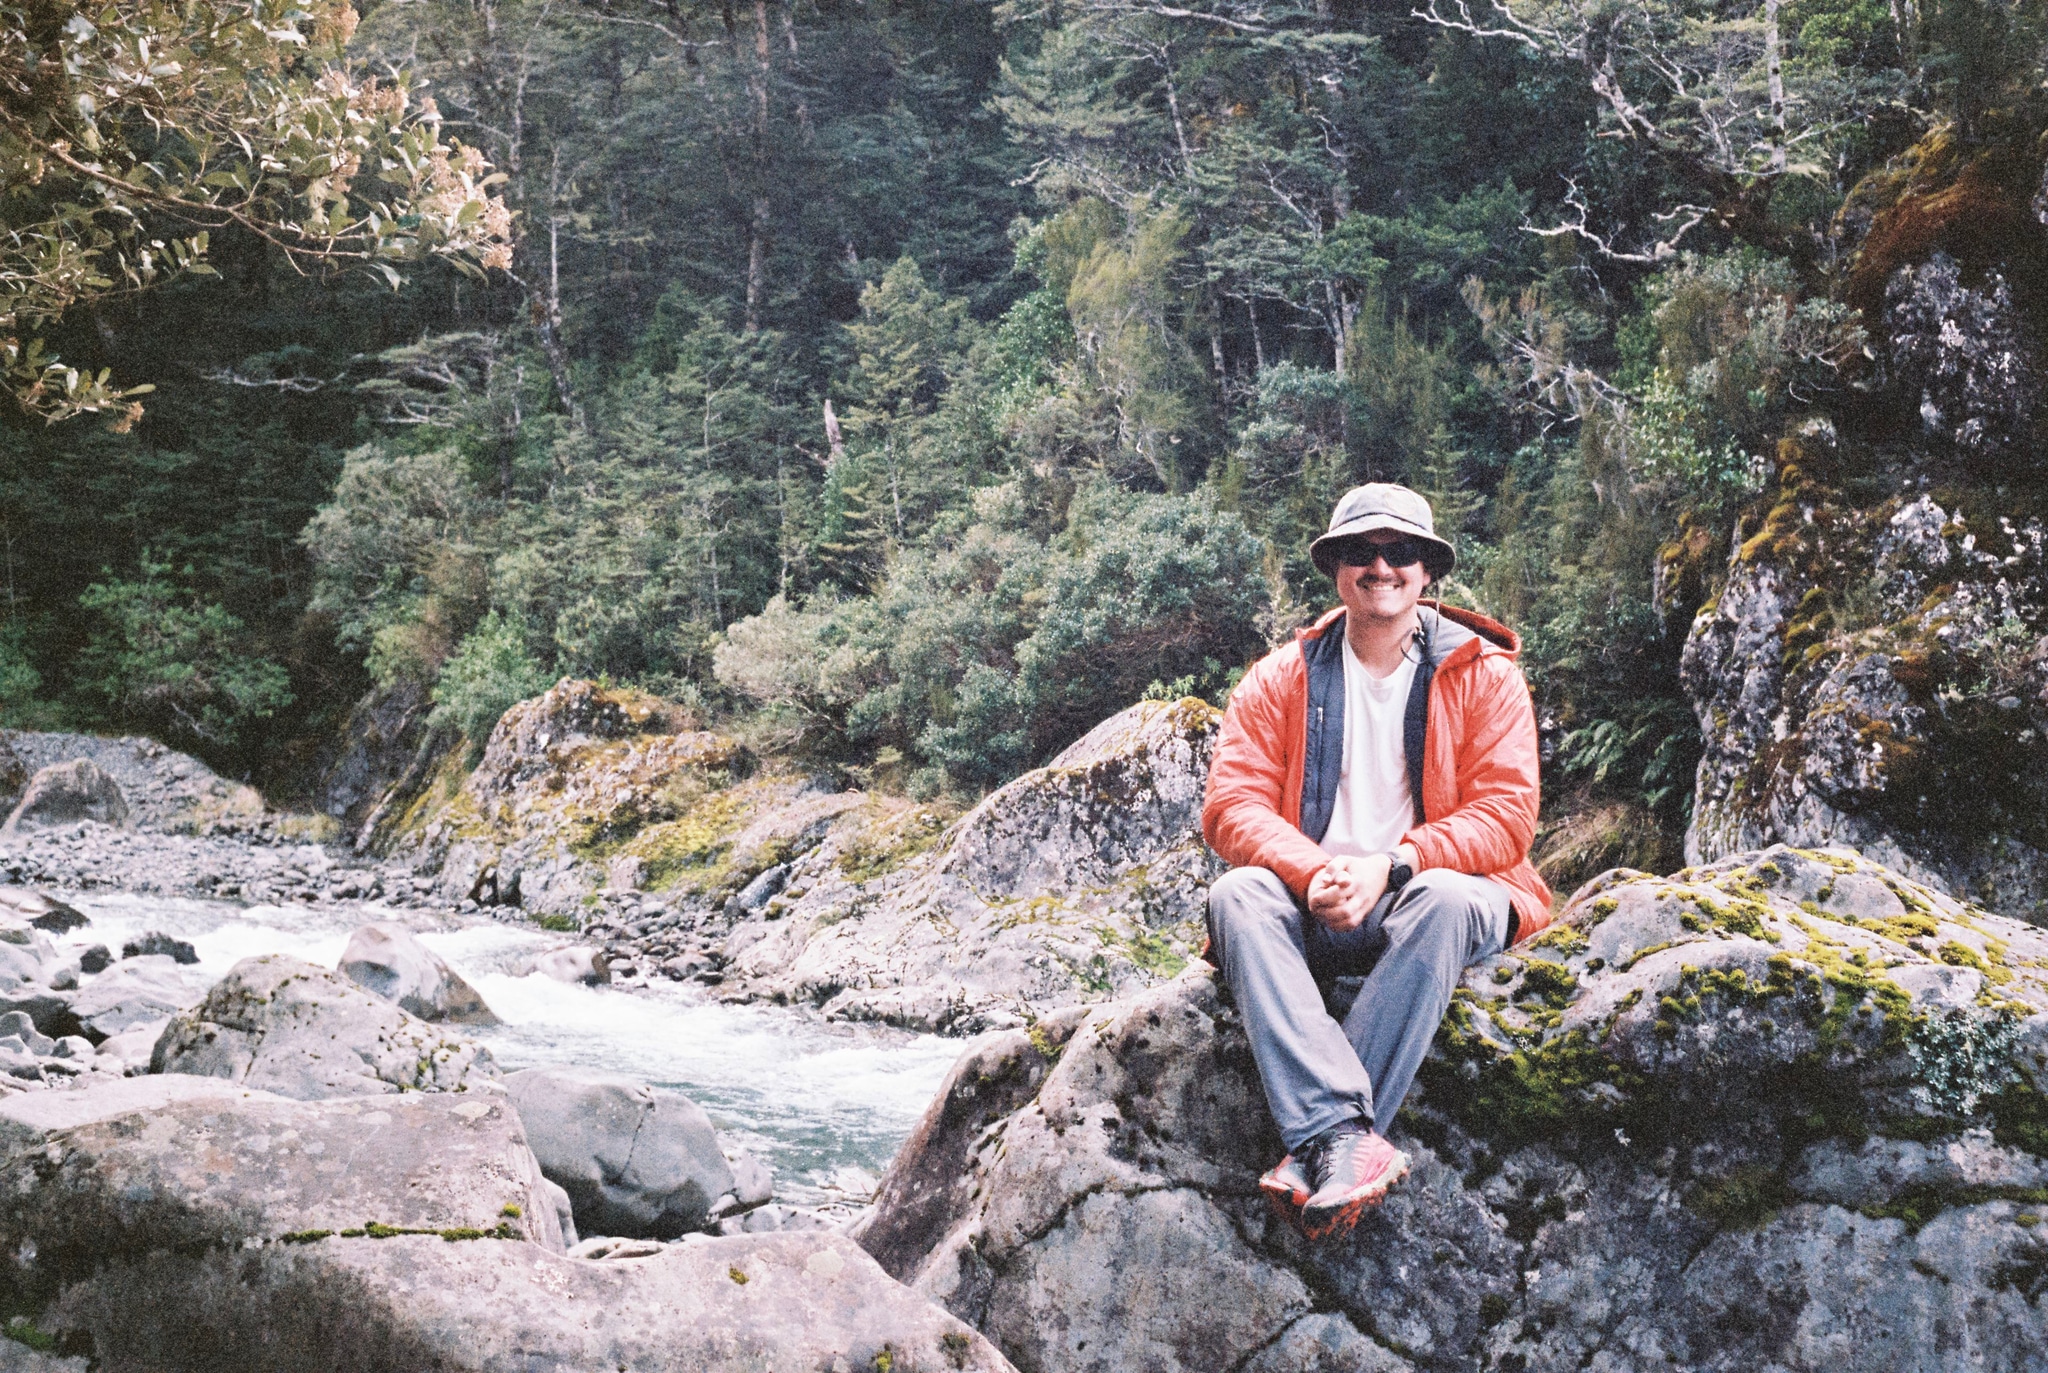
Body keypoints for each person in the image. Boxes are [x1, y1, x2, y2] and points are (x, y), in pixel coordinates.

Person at [1201, 482, 1552, 1239]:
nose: (1381, 567)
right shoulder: (1280, 678)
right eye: (1362, 551)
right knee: (1236, 896)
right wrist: (1311, 874)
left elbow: (1507, 817)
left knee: (1444, 898)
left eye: (1401, 553)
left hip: (1430, 894)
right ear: (1337, 568)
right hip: (1320, 899)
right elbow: (1231, 804)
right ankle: (1345, 1139)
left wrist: (1392, 865)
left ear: (1428, 571)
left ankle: (1322, 1138)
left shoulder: (1486, 675)